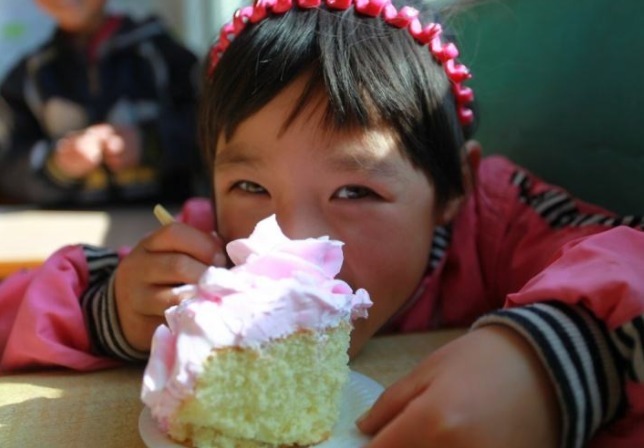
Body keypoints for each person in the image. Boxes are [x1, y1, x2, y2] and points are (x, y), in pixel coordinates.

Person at [1, 1, 643, 446]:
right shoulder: (207, 248)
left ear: (456, 187)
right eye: (250, 185)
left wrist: (556, 358)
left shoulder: (502, 218)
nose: (292, 238)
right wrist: (109, 307)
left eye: (356, 190)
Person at [0, 0, 203, 206]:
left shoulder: (168, 58)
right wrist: (56, 164)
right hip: (65, 228)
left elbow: (209, 139)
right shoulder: (25, 78)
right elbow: (8, 165)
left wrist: (149, 143)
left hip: (164, 225)